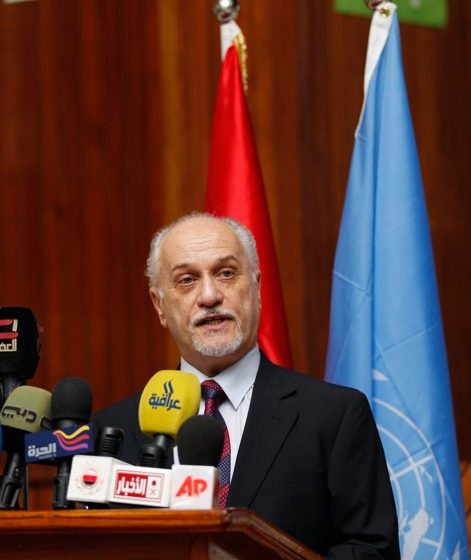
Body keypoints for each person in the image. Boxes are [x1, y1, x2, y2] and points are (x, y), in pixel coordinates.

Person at [94, 212, 400, 559]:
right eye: (187, 280)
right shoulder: (111, 431)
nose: (209, 296)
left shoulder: (334, 417)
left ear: (256, 287)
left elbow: (371, 552)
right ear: (159, 305)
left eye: (225, 273)